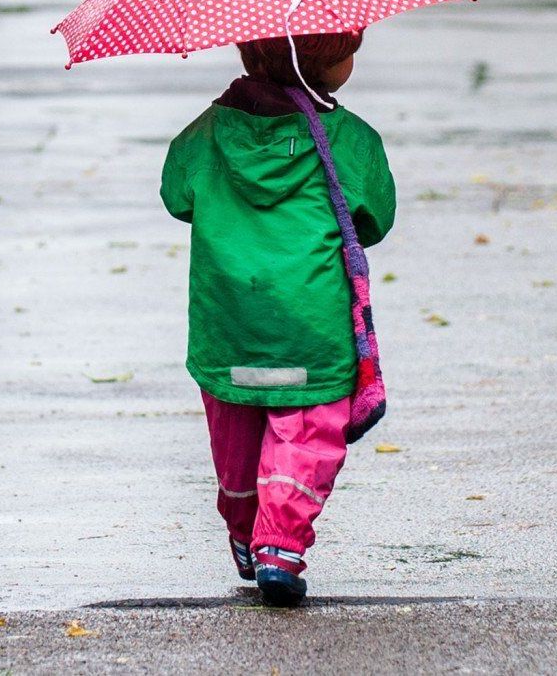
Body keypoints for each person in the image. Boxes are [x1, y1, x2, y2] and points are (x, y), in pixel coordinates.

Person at [159, 30, 396, 606]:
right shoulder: (351, 140)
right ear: (321, 66)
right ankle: (279, 548)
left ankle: (244, 532)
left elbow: (176, 197)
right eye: (346, 52)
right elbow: (375, 219)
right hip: (312, 327)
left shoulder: (205, 134)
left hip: (227, 323)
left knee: (235, 435)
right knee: (308, 432)